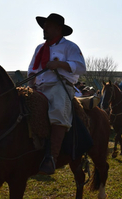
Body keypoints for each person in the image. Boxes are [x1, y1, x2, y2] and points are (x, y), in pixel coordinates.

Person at [28, 13, 86, 175]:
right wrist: (30, 85)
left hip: (60, 86)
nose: (44, 29)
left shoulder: (70, 47)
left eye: (48, 26)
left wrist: (59, 64)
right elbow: (32, 69)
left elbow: (81, 67)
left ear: (58, 29)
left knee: (59, 109)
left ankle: (51, 157)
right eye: (44, 26)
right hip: (39, 86)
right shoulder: (39, 48)